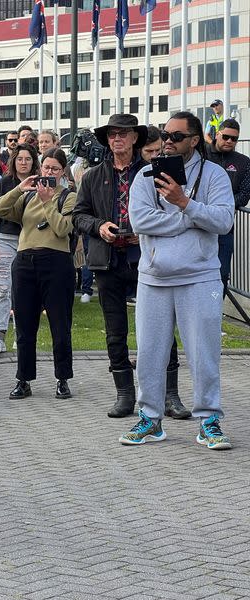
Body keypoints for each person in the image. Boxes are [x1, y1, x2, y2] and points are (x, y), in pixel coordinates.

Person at [120, 111, 234, 449]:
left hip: (200, 277)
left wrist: (183, 202)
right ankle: (150, 419)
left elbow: (224, 220)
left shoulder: (214, 175)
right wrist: (190, 217)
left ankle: (209, 420)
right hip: (154, 277)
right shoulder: (144, 175)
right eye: (165, 135)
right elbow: (140, 221)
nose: (167, 141)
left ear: (194, 140)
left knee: (204, 352)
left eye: (176, 137)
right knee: (151, 352)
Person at [73, 114, 186, 419]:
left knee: (162, 327)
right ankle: (125, 394)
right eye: (112, 134)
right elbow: (78, 215)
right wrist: (99, 227)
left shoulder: (153, 171)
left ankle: (169, 395)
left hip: (147, 258)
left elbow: (174, 210)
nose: (117, 139)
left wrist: (147, 229)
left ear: (136, 138)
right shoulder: (94, 175)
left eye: (123, 134)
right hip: (107, 261)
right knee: (115, 331)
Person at [0, 148, 76, 401]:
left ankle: (62, 379)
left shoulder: (69, 196)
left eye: (54, 169)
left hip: (56, 262)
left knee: (60, 324)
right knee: (25, 326)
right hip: (25, 262)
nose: (48, 172)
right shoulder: (29, 196)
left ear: (62, 172)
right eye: (45, 168)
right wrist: (21, 188)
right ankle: (23, 379)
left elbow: (63, 228)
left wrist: (48, 201)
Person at [0, 143, 39, 354]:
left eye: (27, 159)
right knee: (3, 289)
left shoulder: (38, 183)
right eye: (20, 159)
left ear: (34, 161)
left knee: (24, 292)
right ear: (13, 161)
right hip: (4, 239)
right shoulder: (3, 183)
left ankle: (21, 336)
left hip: (29, 241)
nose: (23, 162)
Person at [206, 118, 250, 297]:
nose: (229, 141)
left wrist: (221, 206)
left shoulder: (244, 162)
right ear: (217, 134)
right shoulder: (200, 155)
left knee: (222, 274)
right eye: (226, 137)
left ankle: (216, 315)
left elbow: (245, 195)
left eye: (234, 139)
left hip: (225, 229)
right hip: (196, 225)